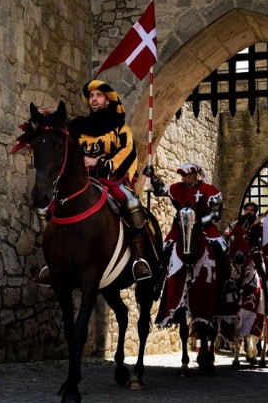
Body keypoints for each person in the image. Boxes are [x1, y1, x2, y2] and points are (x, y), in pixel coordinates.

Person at [34, 80, 152, 286]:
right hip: (80, 180)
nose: (94, 99)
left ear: (108, 100)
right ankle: (50, 263)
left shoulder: (119, 127)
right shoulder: (78, 126)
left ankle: (139, 258)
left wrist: (99, 161)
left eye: (98, 95)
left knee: (131, 202)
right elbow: (58, 136)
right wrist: (46, 118)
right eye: (92, 96)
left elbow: (128, 152)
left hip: (109, 178)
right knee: (45, 209)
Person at [143, 162, 233, 292]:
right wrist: (152, 176)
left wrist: (196, 223)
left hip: (204, 226)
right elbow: (161, 190)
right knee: (164, 249)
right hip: (180, 227)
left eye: (186, 176)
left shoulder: (209, 190)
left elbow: (215, 214)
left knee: (223, 247)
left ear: (194, 175)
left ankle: (227, 280)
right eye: (182, 176)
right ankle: (158, 282)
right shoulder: (179, 188)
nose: (183, 179)